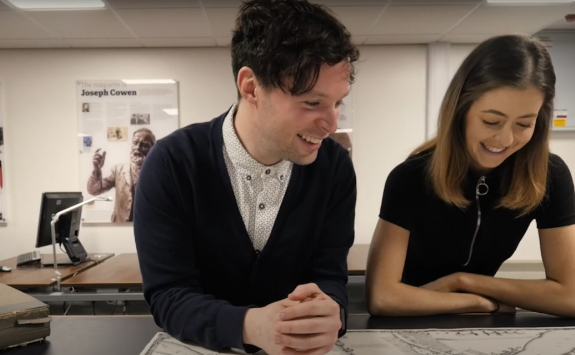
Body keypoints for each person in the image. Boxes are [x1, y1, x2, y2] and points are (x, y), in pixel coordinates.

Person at [133, 1, 359, 354]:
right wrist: (249, 325)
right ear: (251, 87)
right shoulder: (173, 163)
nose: (331, 124)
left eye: (338, 103)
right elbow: (168, 295)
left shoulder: (334, 168)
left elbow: (330, 277)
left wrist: (331, 311)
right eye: (312, 104)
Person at [366, 34, 575, 318]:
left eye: (524, 124)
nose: (505, 138)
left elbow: (571, 296)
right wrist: (479, 302)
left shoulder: (551, 176)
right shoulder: (411, 177)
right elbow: (383, 297)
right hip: (412, 320)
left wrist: (464, 282)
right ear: (461, 109)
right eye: (491, 121)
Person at [87, 128, 155, 222]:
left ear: (153, 149)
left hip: (147, 228)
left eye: (144, 145)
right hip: (121, 227)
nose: (137, 148)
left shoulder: (158, 173)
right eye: (135, 142)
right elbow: (94, 191)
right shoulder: (118, 170)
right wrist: (96, 170)